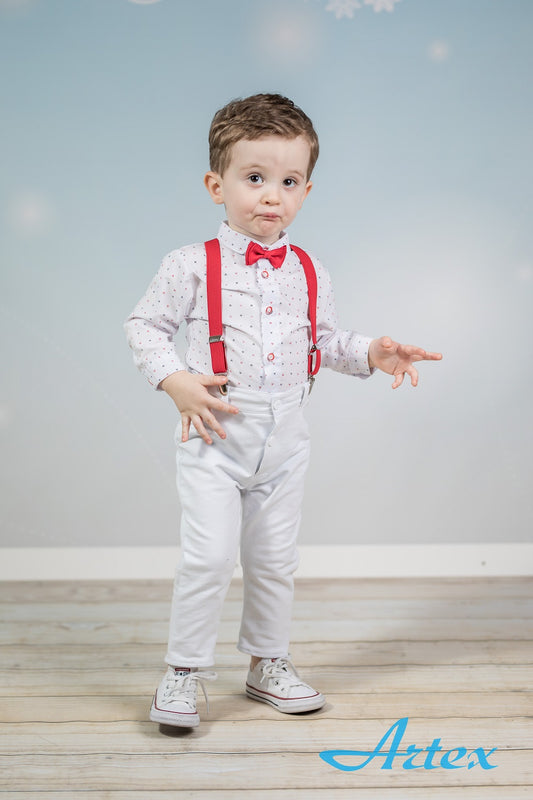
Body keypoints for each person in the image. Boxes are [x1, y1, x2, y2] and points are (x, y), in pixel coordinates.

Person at [125, 93, 442, 729]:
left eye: (289, 181)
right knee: (210, 557)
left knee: (274, 560)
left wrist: (373, 353)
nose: (273, 195)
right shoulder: (189, 264)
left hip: (287, 439)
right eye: (255, 178)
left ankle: (267, 662)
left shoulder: (309, 269)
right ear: (217, 185)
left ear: (307, 189)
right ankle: (183, 670)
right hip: (217, 434)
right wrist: (176, 380)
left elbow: (321, 341)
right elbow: (144, 326)